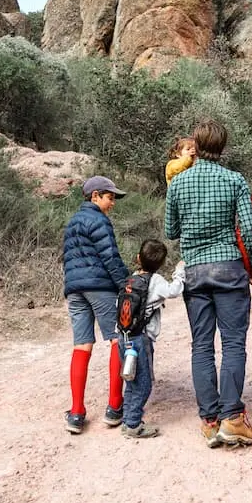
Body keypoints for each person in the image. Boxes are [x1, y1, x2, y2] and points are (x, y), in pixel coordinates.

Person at [165, 119, 252, 448]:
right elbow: (248, 228)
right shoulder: (235, 179)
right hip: (229, 268)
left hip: (195, 271)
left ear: (197, 144)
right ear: (223, 146)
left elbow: (171, 230)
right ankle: (232, 417)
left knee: (201, 346)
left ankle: (209, 421)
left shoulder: (178, 183)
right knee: (234, 344)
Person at [62, 175, 130, 435]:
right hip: (100, 288)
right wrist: (126, 283)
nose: (112, 203)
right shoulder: (99, 221)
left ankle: (77, 413)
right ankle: (114, 407)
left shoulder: (72, 223)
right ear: (95, 196)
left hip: (75, 290)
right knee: (116, 340)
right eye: (110, 197)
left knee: (82, 345)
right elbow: (110, 257)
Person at [116, 238, 186, 439]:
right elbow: (174, 291)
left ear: (138, 258)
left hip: (124, 337)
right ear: (160, 264)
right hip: (141, 339)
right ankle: (133, 425)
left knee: (131, 381)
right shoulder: (155, 281)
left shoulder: (130, 280)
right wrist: (179, 272)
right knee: (144, 383)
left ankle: (128, 420)